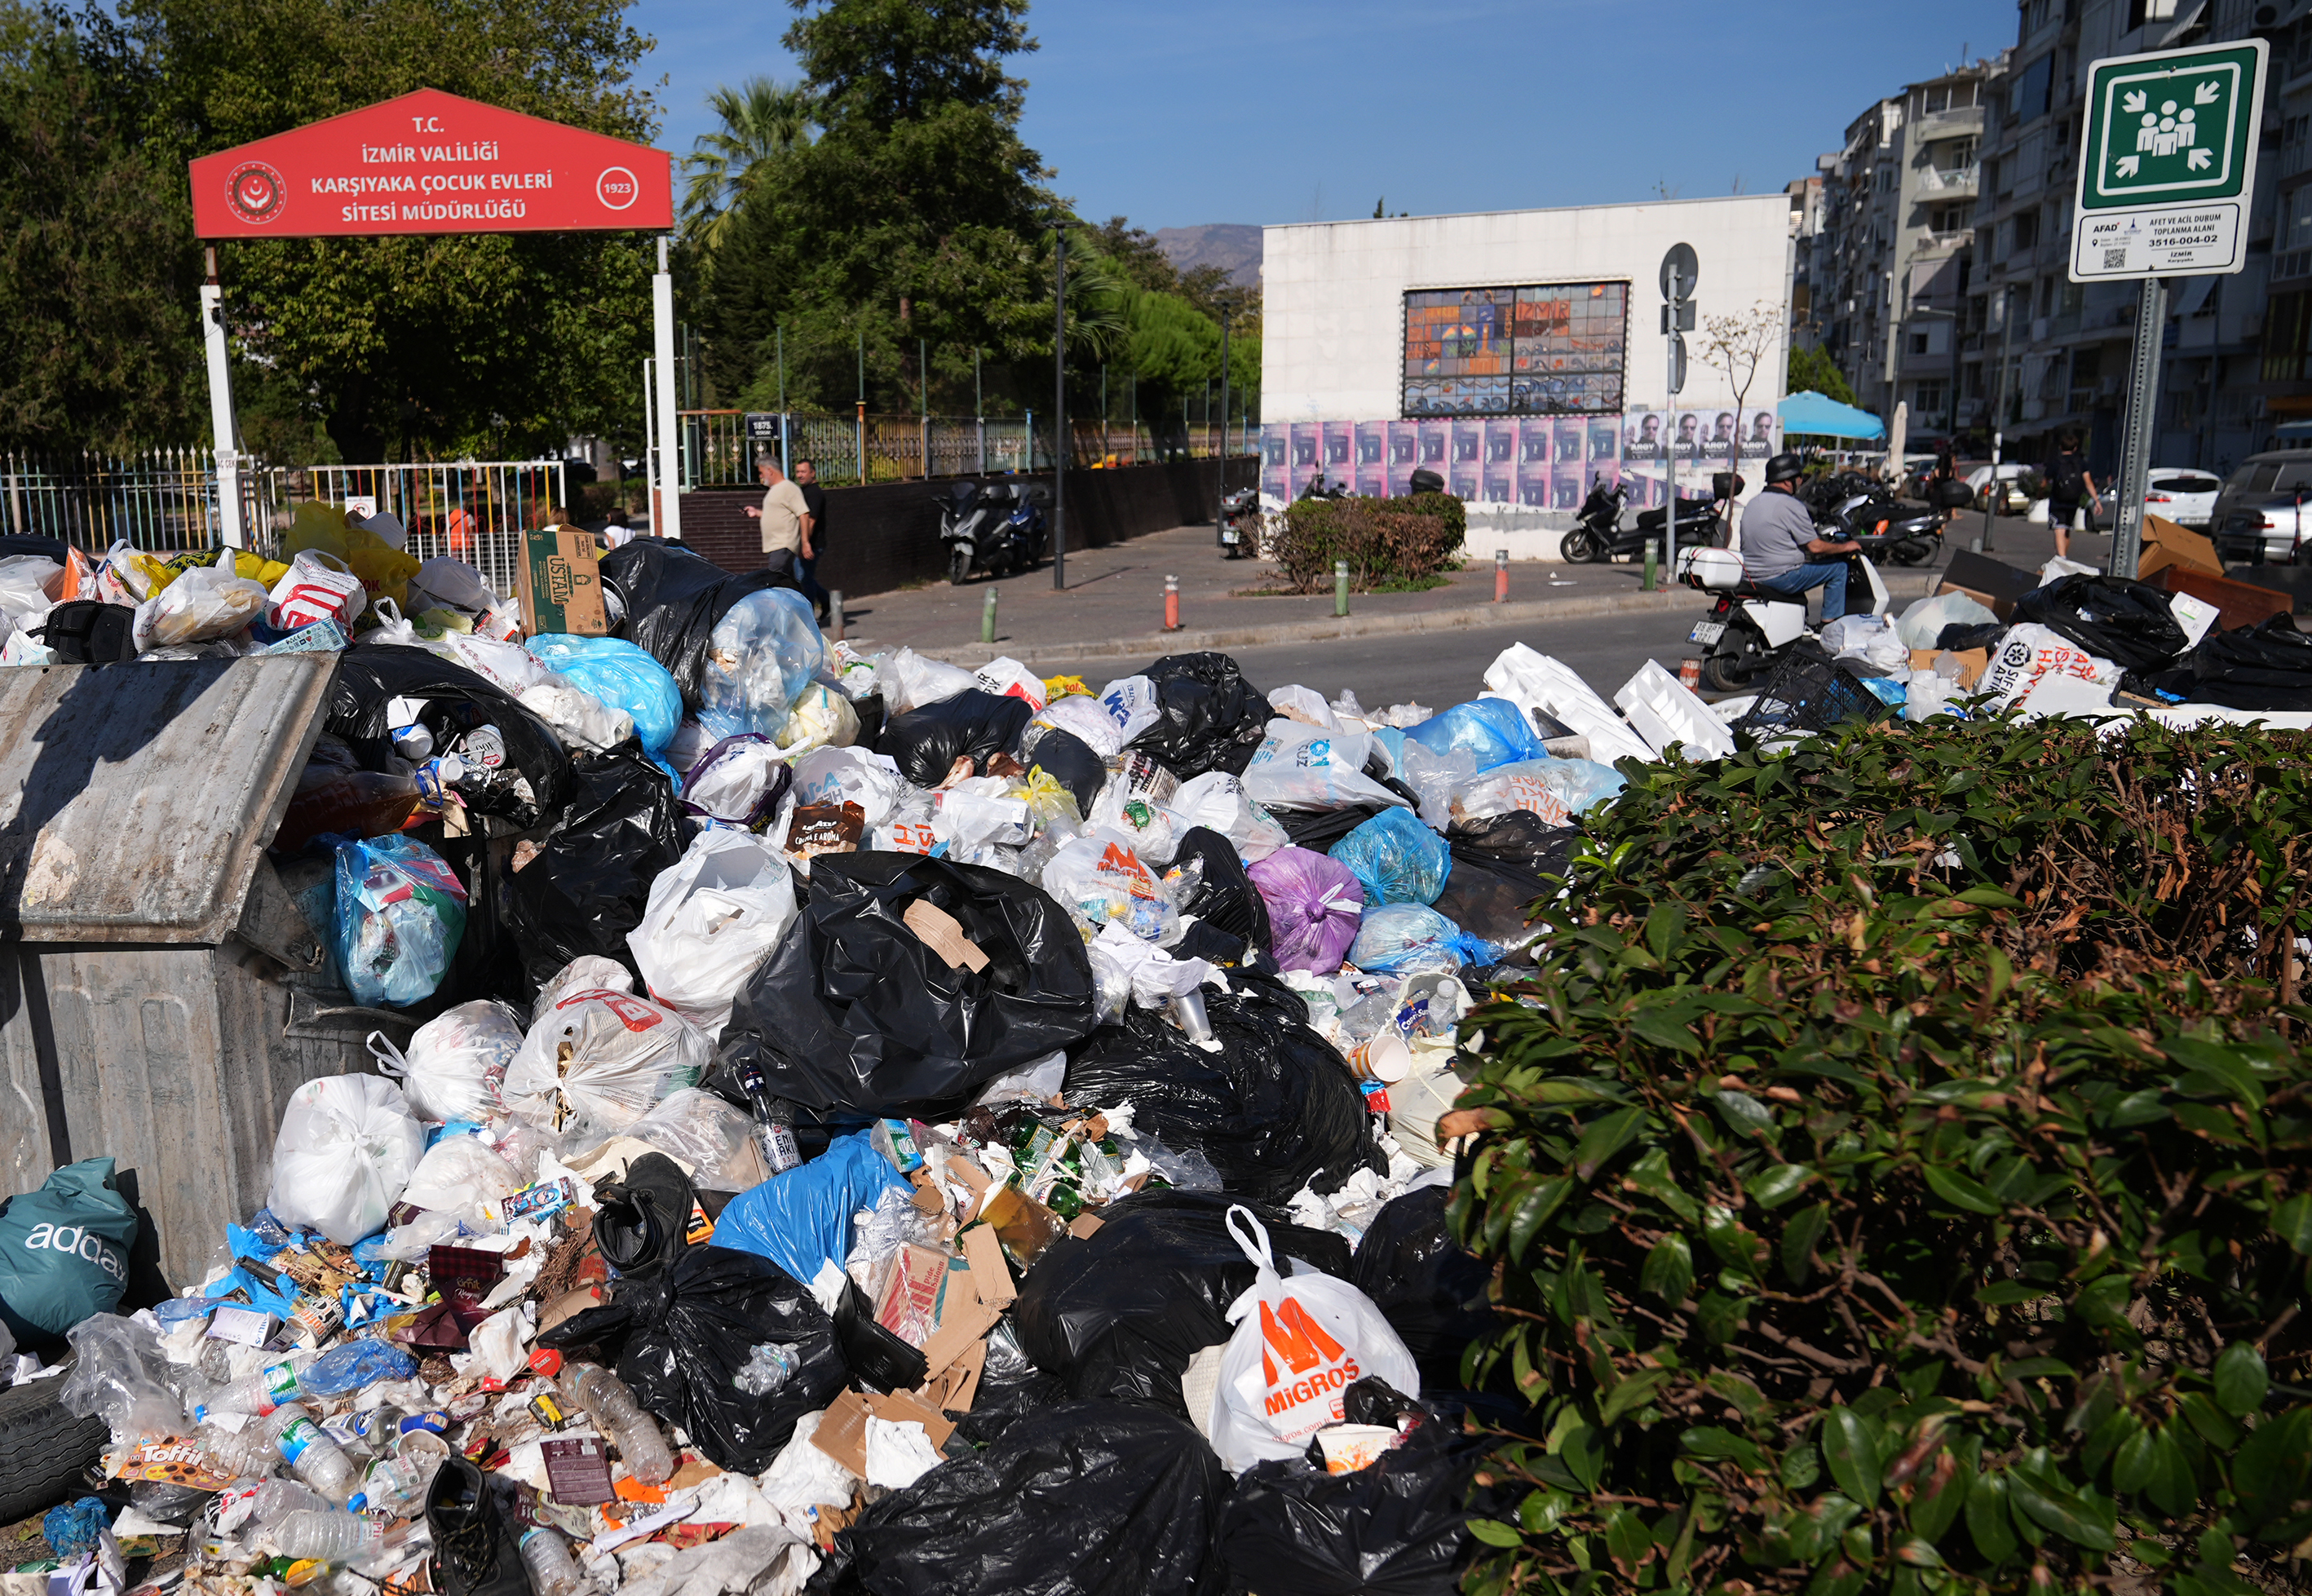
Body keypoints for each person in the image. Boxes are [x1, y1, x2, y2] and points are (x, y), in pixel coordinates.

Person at [1739, 452, 1859, 621]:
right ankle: (1828, 625)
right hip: (1780, 577)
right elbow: (1816, 547)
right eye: (1799, 477)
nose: (1801, 481)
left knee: (1803, 566)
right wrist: (1845, 547)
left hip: (1750, 575)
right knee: (1839, 568)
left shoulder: (1753, 502)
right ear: (1789, 481)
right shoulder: (1790, 505)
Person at [744, 457, 813, 574]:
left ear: (770, 471)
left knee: (773, 579)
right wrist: (756, 512)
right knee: (786, 584)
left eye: (761, 472)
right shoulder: (774, 490)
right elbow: (776, 514)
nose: (760, 476)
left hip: (783, 545)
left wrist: (805, 542)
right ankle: (820, 594)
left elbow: (803, 513)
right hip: (776, 546)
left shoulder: (789, 488)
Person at [2043, 429, 2101, 559]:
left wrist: (2041, 492)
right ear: (2075, 448)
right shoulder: (2081, 463)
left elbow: (2045, 481)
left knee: (2059, 529)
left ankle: (2061, 559)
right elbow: (2088, 483)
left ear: (2060, 447)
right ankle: (2062, 557)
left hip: (2057, 501)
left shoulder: (2056, 462)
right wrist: (2097, 501)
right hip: (2073, 501)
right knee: (2067, 530)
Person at [792, 459, 831, 625]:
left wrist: (805, 542)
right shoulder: (805, 491)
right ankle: (825, 599)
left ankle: (808, 614)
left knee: (802, 577)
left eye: (804, 472)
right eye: (798, 472)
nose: (800, 475)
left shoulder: (814, 493)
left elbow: (811, 520)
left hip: (813, 544)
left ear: (813, 473)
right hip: (809, 543)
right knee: (804, 576)